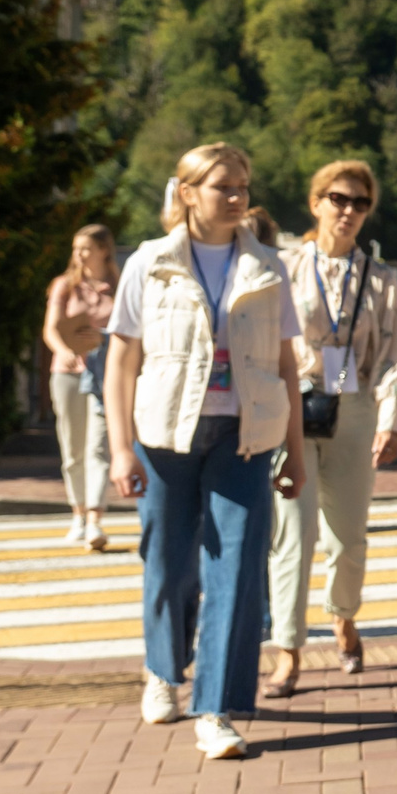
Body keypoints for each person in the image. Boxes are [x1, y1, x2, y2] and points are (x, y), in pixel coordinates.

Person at [103, 143, 307, 761]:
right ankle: (164, 669)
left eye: (243, 185)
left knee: (238, 569)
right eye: (224, 187)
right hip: (166, 434)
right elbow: (121, 359)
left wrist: (293, 454)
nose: (238, 197)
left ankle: (215, 709)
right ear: (188, 192)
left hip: (243, 437)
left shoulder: (268, 265)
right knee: (168, 561)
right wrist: (119, 449)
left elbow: (284, 364)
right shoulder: (150, 262)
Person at [266, 161, 397, 695]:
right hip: (292, 405)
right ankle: (288, 650)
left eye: (359, 202)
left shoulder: (380, 277)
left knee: (348, 538)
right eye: (338, 199)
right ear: (315, 203)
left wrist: (391, 418)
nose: (348, 211)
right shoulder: (284, 268)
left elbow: (396, 352)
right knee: (292, 536)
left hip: (352, 406)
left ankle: (344, 615)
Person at [43, 224, 118, 551]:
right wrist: (63, 351)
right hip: (69, 372)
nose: (79, 255)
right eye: (76, 249)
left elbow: (132, 330)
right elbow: (51, 329)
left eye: (86, 248)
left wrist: (103, 340)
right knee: (73, 448)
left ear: (104, 249)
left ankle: (94, 519)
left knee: (98, 447)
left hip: (106, 376)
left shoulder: (119, 285)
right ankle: (76, 512)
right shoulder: (65, 286)